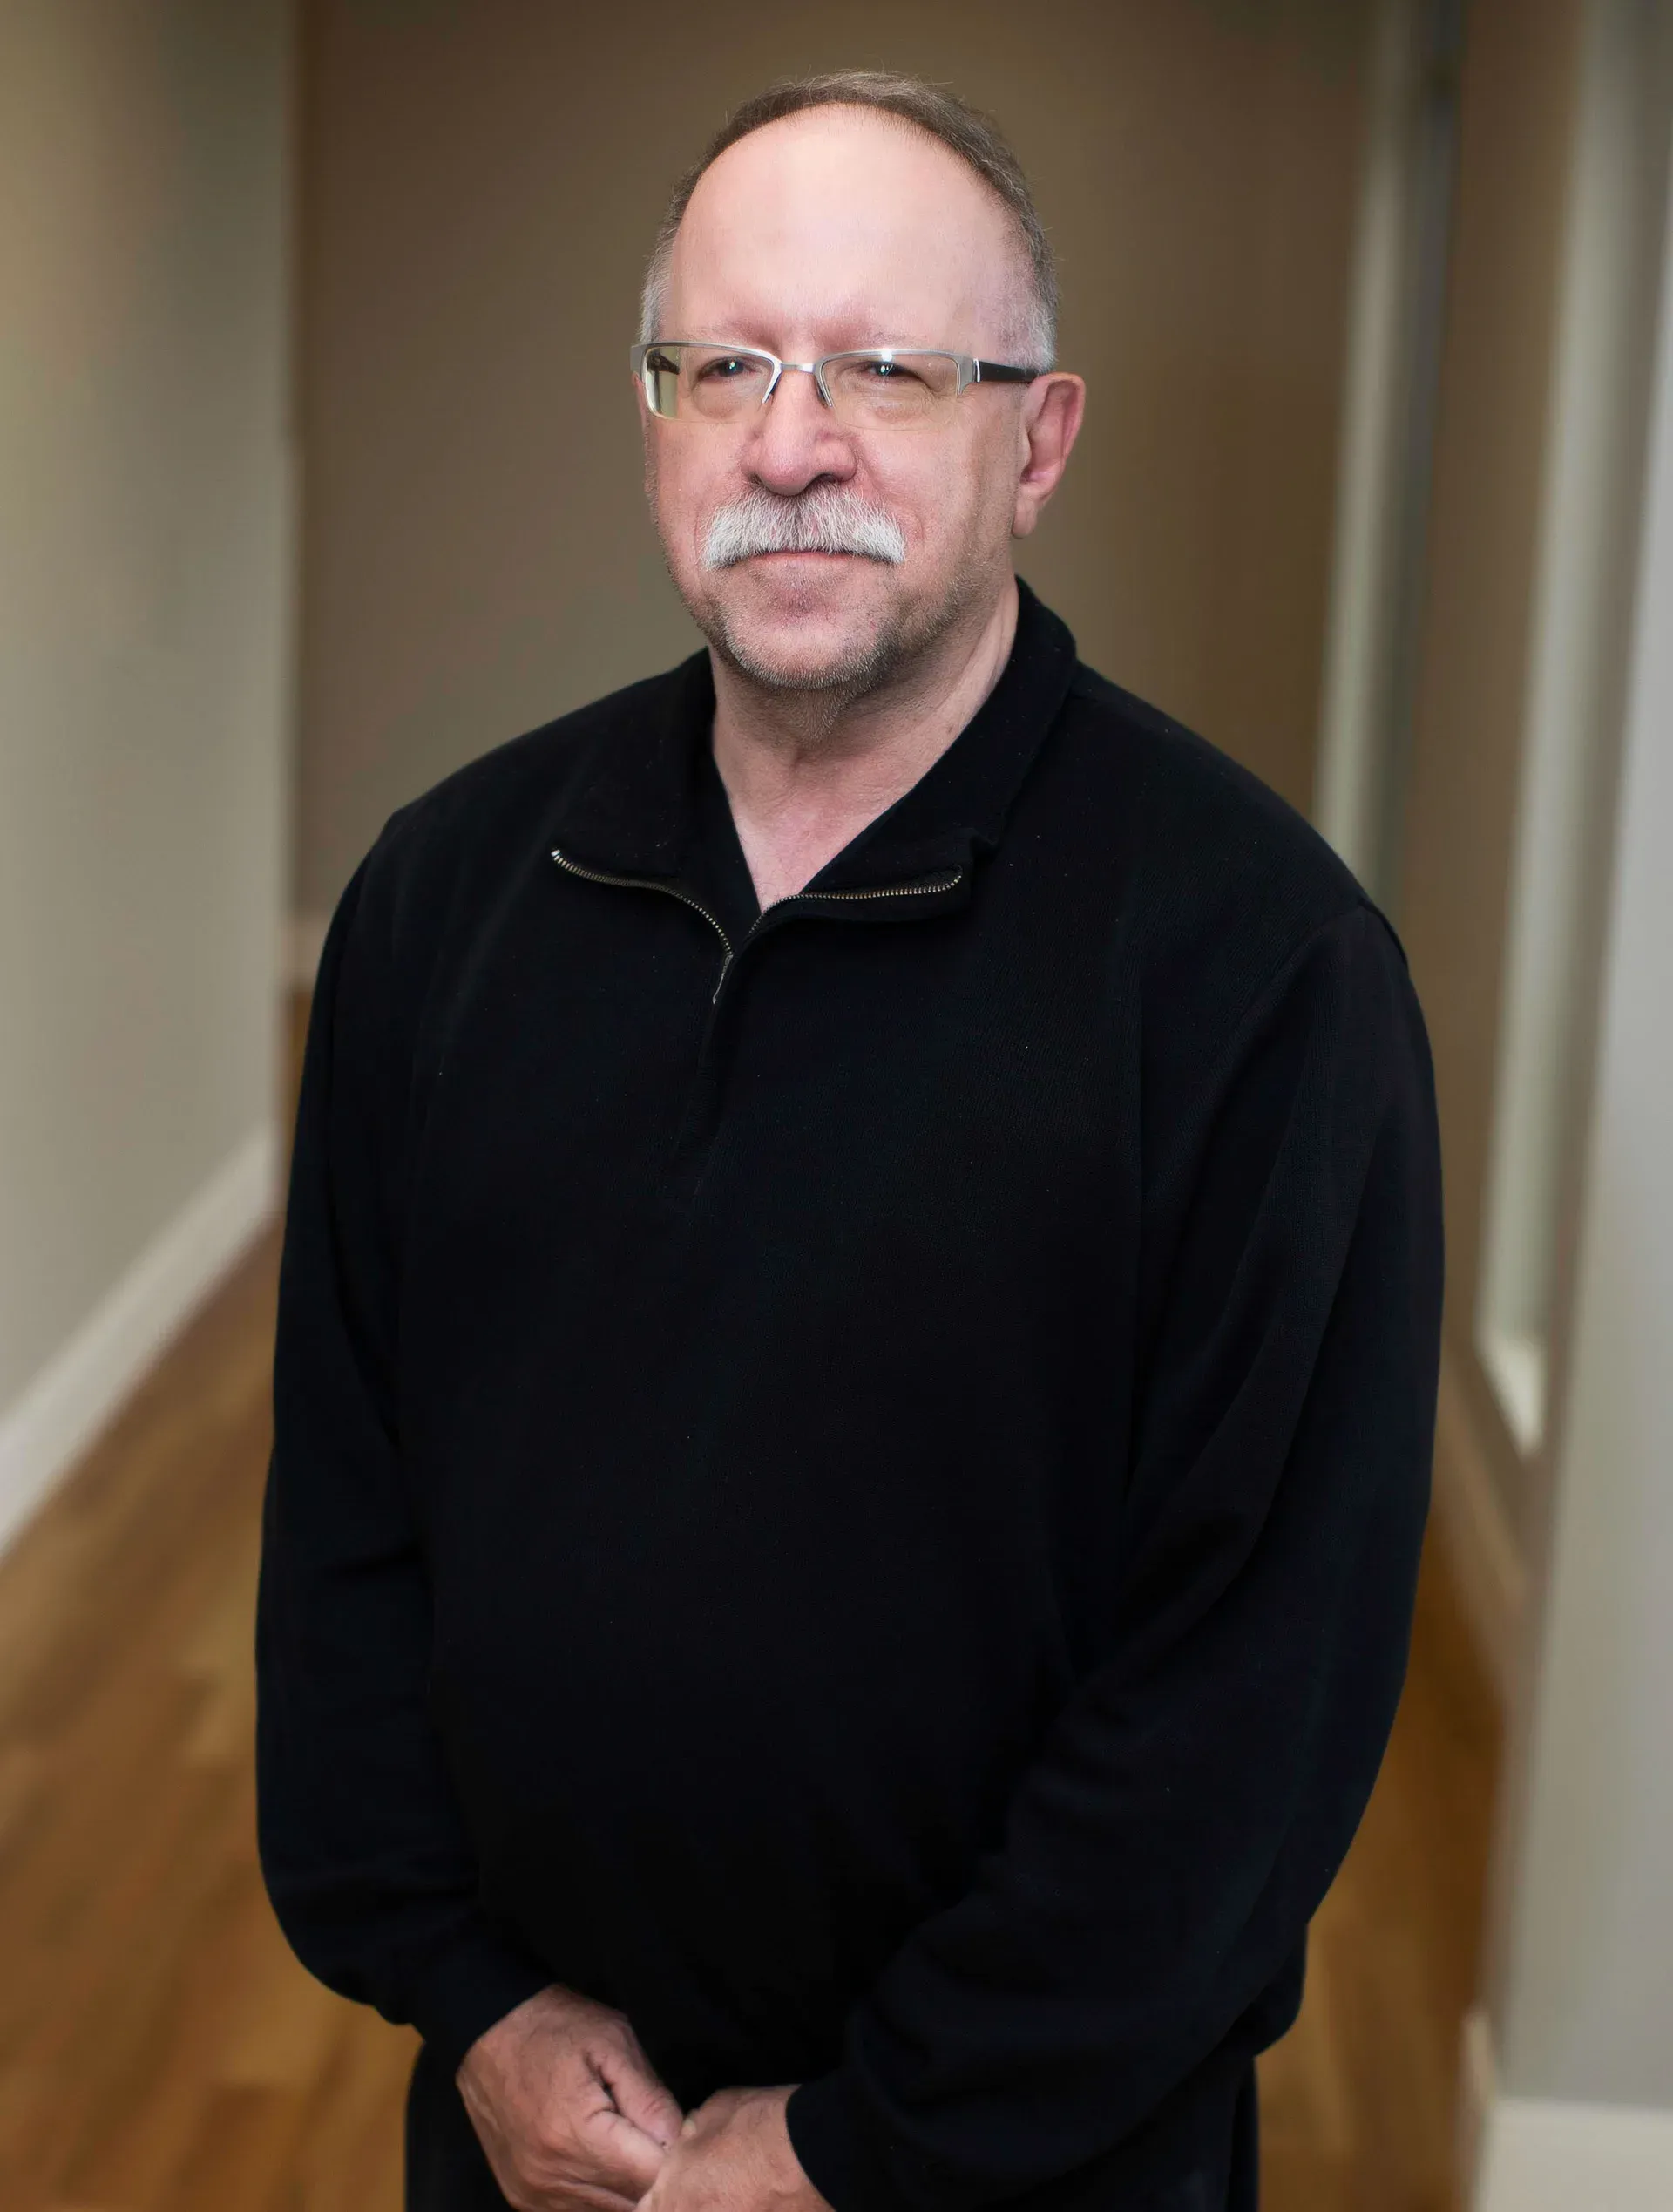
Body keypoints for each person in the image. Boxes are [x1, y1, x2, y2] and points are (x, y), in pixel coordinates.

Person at [257, 70, 1445, 2212]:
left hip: (1034, 2160)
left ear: (1038, 440)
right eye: (724, 366)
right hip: (546, 2150)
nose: (790, 444)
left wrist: (861, 2147)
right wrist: (474, 2008)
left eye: (889, 370)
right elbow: (347, 1531)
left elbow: (1243, 1714)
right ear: (656, 416)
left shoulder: (1259, 974)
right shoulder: (447, 903)